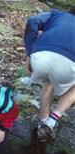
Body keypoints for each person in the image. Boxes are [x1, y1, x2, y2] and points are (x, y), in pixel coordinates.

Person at [24, 7, 75, 141]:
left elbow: (32, 21)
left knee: (49, 82)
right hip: (69, 64)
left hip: (40, 57)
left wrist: (29, 54)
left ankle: (43, 121)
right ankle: (53, 119)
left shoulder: (57, 15)